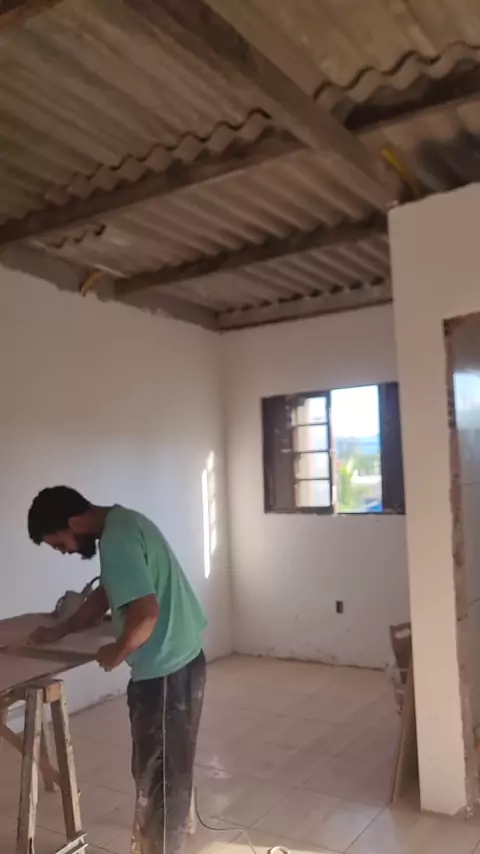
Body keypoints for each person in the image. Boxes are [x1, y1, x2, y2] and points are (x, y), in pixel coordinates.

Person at [27, 486, 207, 854]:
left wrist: (118, 649)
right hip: (182, 659)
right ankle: (162, 841)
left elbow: (147, 613)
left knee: (158, 777)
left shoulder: (116, 540)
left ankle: (160, 848)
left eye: (59, 543)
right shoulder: (123, 523)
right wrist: (62, 629)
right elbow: (106, 593)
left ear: (74, 522)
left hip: (164, 672)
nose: (64, 551)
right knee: (169, 767)